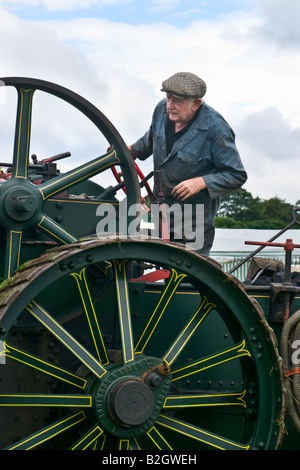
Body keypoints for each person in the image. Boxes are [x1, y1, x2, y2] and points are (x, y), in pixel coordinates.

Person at [128, 72, 247, 255]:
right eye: (168, 98)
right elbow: (151, 139)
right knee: (160, 268)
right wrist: (129, 150)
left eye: (177, 101)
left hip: (193, 221)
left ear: (196, 104)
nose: (170, 106)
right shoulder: (161, 110)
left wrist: (201, 182)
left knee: (186, 279)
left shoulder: (216, 129)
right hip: (161, 212)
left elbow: (236, 174)